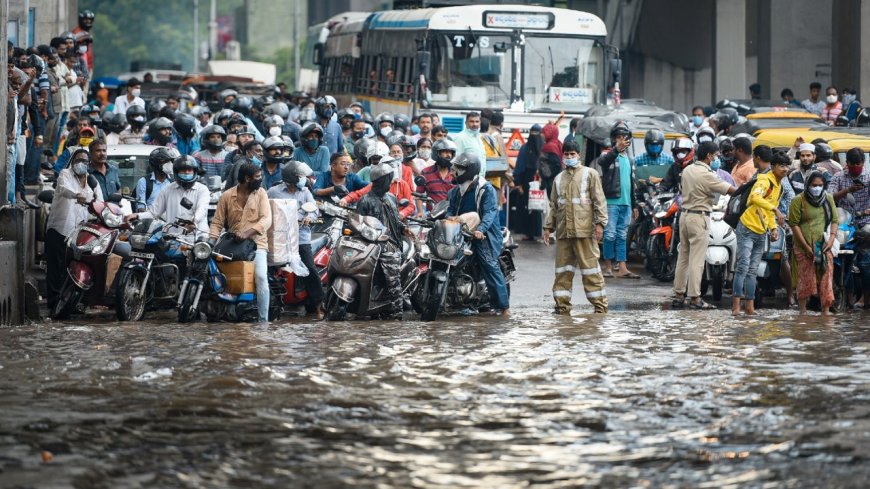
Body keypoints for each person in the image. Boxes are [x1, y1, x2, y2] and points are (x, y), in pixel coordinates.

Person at [542, 141, 608, 314]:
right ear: (563, 156)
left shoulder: (590, 174)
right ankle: (562, 306)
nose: (569, 157)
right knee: (562, 272)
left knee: (591, 271)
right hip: (564, 232)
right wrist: (548, 227)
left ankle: (600, 307)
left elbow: (599, 201)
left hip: (584, 231)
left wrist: (600, 224)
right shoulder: (558, 179)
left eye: (573, 154)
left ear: (579, 155)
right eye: (567, 154)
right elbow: (554, 206)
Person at [672, 141, 737, 309]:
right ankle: (695, 298)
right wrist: (747, 188)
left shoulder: (687, 170)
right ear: (709, 156)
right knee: (697, 260)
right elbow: (730, 190)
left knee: (683, 258)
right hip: (699, 217)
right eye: (715, 156)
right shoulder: (707, 174)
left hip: (685, 216)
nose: (717, 159)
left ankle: (679, 295)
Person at [445, 152, 510, 316]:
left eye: (457, 169)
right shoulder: (455, 192)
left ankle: (504, 307)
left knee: (489, 265)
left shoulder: (485, 189)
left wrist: (481, 229)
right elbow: (450, 211)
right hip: (461, 232)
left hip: (485, 234)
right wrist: (448, 217)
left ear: (468, 170)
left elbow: (490, 213)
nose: (453, 172)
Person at [210, 162, 272, 322]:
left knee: (261, 277)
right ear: (247, 178)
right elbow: (217, 222)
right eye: (257, 177)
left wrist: (247, 233)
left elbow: (267, 219)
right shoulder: (226, 196)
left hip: (257, 244)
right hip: (233, 245)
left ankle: (263, 320)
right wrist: (211, 241)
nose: (260, 179)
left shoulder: (261, 194)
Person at [45, 149, 103, 313]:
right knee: (55, 269)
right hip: (59, 229)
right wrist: (78, 195)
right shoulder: (65, 174)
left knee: (73, 269)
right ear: (72, 161)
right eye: (78, 160)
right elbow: (63, 189)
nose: (81, 164)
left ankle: (73, 303)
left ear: (89, 164)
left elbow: (100, 201)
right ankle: (53, 304)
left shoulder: (92, 182)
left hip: (79, 235)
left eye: (84, 161)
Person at [732, 152, 789, 316]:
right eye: (781, 166)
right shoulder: (764, 180)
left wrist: (773, 229)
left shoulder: (780, 187)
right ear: (773, 167)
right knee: (742, 267)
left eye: (787, 166)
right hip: (747, 227)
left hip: (761, 231)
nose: (785, 169)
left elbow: (769, 213)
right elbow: (754, 197)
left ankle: (749, 307)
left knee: (753, 270)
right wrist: (775, 209)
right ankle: (736, 307)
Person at [267, 161, 323, 318]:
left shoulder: (305, 192)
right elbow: (264, 208)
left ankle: (319, 305)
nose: (304, 179)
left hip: (301, 238)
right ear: (292, 177)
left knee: (311, 269)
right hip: (279, 238)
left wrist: (309, 217)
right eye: (301, 176)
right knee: (269, 268)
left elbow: (314, 209)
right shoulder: (273, 191)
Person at [355, 162, 405, 318]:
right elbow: (359, 224)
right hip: (372, 245)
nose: (390, 183)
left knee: (393, 280)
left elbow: (396, 221)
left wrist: (405, 228)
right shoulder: (365, 201)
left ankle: (397, 312)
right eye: (388, 180)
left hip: (392, 245)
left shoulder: (391, 198)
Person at [788, 171, 837, 315]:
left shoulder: (828, 198)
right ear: (807, 185)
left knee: (825, 277)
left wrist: (832, 238)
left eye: (820, 185)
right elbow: (794, 224)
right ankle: (802, 312)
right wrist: (806, 246)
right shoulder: (798, 200)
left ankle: (826, 311)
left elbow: (834, 220)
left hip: (823, 245)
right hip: (803, 246)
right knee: (805, 277)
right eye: (814, 185)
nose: (817, 188)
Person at [127, 155, 210, 238]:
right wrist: (137, 216)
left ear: (194, 172)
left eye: (189, 170)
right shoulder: (168, 190)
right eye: (183, 170)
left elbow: (202, 209)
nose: (187, 172)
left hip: (198, 238)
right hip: (174, 238)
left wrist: (194, 221)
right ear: (176, 172)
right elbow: (153, 213)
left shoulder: (202, 189)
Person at [597, 121, 639, 278]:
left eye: (624, 137)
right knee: (609, 235)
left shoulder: (630, 159)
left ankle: (622, 267)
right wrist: (615, 149)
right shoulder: (607, 155)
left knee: (622, 235)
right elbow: (602, 162)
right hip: (611, 203)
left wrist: (634, 205)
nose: (621, 140)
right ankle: (608, 267)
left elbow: (632, 183)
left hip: (626, 204)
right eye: (618, 137)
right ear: (613, 139)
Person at [831, 148, 870, 307]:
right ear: (846, 163)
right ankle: (842, 294)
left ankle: (866, 298)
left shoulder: (868, 177)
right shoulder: (839, 177)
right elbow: (830, 197)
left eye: (858, 164)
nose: (855, 166)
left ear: (863, 163)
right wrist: (847, 190)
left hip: (866, 221)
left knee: (865, 261)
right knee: (836, 255)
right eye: (851, 164)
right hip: (844, 222)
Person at [342, 155, 416, 218]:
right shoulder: (376, 185)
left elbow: (411, 205)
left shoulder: (403, 184)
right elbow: (359, 194)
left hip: (398, 220)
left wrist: (402, 213)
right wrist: (345, 199)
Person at [513, 124, 544, 241]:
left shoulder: (544, 149)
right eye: (533, 133)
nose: (535, 136)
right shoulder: (525, 148)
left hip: (540, 182)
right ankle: (528, 233)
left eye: (537, 134)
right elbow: (519, 167)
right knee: (527, 208)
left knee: (539, 207)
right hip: (526, 183)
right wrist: (519, 184)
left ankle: (539, 232)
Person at [417, 138, 456, 214]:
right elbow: (419, 194)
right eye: (445, 152)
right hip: (432, 214)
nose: (448, 155)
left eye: (450, 152)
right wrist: (420, 212)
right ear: (436, 153)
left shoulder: (456, 173)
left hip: (451, 215)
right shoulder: (426, 172)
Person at [451, 112, 487, 178]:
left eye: (477, 121)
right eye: (471, 121)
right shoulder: (460, 137)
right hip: (466, 180)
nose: (475, 124)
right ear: (466, 123)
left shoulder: (479, 137)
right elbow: (455, 160)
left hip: (480, 179)